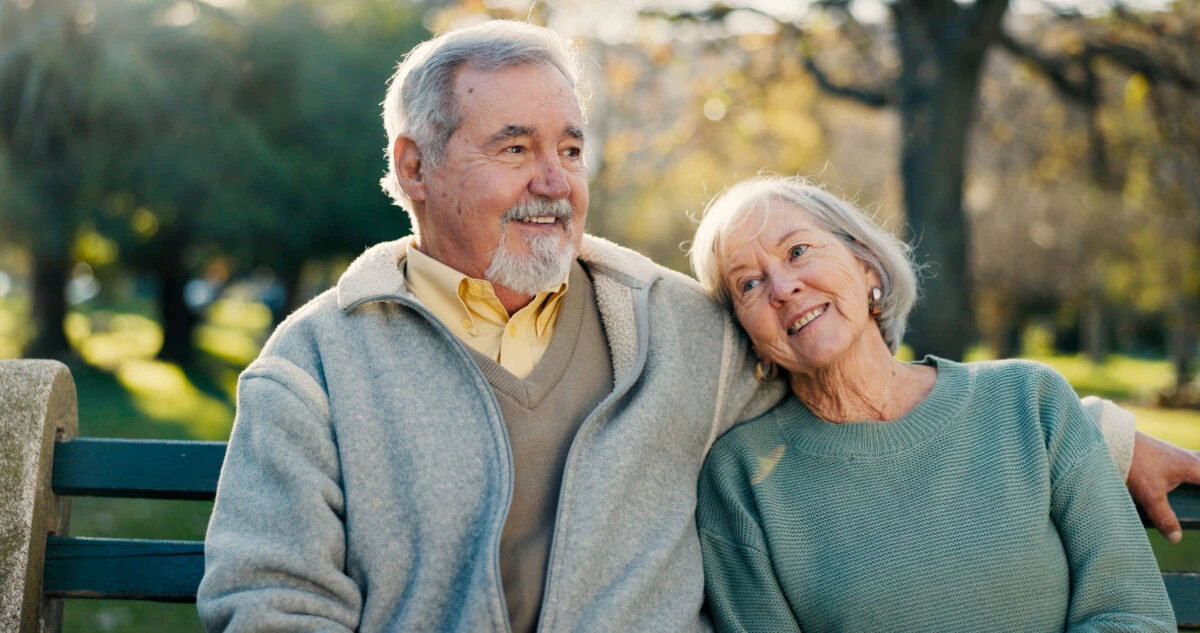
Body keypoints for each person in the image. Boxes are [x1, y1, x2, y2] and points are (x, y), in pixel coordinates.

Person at [197, 20, 1196, 633]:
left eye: (572, 148)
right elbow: (272, 602)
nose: (555, 183)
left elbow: (843, 365)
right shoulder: (314, 367)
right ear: (415, 169)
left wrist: (1104, 437)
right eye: (514, 148)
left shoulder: (677, 330)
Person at [690, 177, 1175, 632]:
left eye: (797, 251)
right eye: (748, 284)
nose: (782, 288)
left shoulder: (1031, 400)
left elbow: (1133, 614)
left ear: (866, 267)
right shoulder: (741, 478)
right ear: (745, 333)